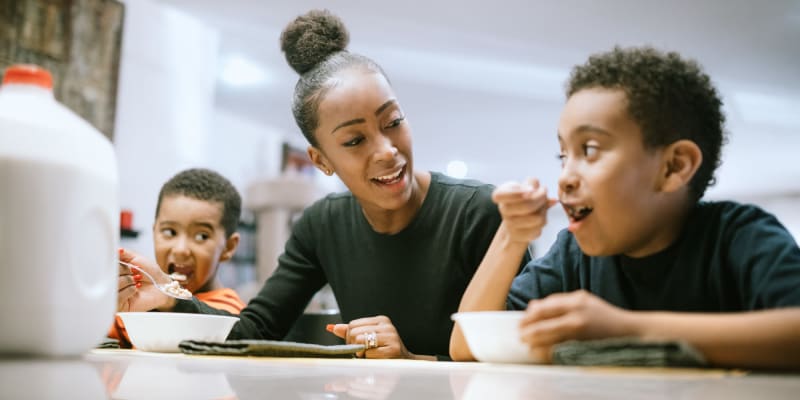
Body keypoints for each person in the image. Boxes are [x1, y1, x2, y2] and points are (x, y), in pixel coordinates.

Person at [117, 9, 530, 360]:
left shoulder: (479, 213)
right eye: (354, 140)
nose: (386, 150)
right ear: (321, 160)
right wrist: (171, 297)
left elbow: (524, 353)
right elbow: (256, 330)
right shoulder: (322, 226)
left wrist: (411, 358)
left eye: (394, 122)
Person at [450, 46, 800, 369]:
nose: (565, 177)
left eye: (588, 150)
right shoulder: (573, 255)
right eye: (562, 155)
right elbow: (466, 346)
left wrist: (626, 329)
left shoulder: (738, 235)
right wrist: (511, 236)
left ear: (674, 167)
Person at [113, 168, 245, 348]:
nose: (181, 249)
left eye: (201, 236)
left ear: (228, 247)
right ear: (154, 233)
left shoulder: (229, 314)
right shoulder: (135, 299)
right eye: (169, 232)